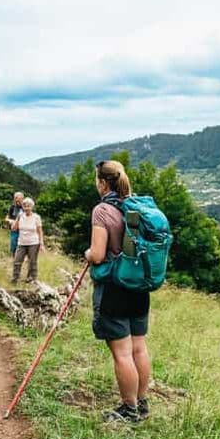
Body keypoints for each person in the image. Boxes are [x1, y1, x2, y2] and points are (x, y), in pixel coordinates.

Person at [84, 160, 152, 422]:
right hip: (138, 286)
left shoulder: (102, 211)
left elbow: (99, 254)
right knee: (139, 348)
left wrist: (88, 253)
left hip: (114, 287)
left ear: (102, 183)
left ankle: (129, 409)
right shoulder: (136, 206)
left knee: (122, 353)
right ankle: (142, 403)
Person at [11, 197, 45, 284]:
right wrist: (17, 219)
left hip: (33, 242)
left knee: (32, 262)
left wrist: (41, 244)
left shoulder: (36, 217)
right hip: (21, 242)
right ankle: (15, 278)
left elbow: (40, 231)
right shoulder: (20, 216)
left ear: (32, 207)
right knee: (17, 260)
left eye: (28, 206)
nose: (26, 208)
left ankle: (31, 278)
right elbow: (14, 229)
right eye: (25, 206)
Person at [6, 191, 24, 255]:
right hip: (14, 229)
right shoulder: (12, 207)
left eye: (20, 200)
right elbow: (6, 218)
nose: (18, 201)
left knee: (22, 246)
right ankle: (13, 258)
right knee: (13, 244)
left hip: (23, 230)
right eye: (16, 199)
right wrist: (10, 221)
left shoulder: (25, 208)